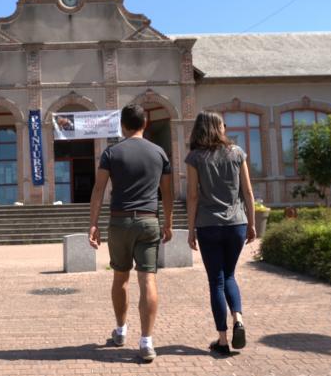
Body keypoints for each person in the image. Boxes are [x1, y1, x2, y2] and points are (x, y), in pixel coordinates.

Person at [89, 104, 173, 362]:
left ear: (122, 126)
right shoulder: (159, 153)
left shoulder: (111, 153)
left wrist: (93, 223)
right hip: (149, 221)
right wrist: (168, 222)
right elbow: (167, 193)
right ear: (145, 124)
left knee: (120, 278)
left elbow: (99, 189)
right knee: (147, 280)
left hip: (120, 222)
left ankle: (121, 330)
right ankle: (146, 342)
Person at [185, 111, 256, 356]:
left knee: (215, 280)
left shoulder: (195, 157)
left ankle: (223, 339)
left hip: (208, 225)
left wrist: (191, 228)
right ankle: (238, 318)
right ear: (219, 128)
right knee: (230, 276)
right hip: (236, 223)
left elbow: (193, 196)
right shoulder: (237, 153)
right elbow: (247, 191)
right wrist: (252, 223)